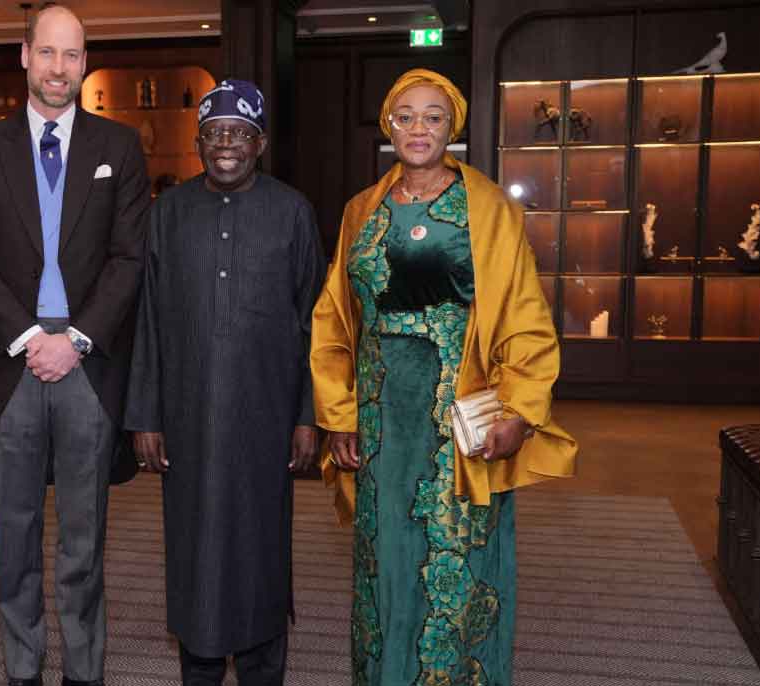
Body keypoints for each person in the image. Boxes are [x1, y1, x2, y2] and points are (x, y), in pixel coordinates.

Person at [310, 69, 578, 686]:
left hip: (461, 419)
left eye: (434, 116)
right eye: (406, 115)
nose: (419, 128)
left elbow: (524, 315)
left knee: (454, 563)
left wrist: (520, 412)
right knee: (387, 562)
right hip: (380, 422)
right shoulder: (362, 210)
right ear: (388, 125)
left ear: (452, 127)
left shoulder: (487, 208)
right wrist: (340, 413)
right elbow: (334, 319)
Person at [0, 6, 149, 686]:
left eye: (74, 55)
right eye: (49, 53)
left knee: (84, 544)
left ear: (85, 63)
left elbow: (129, 258)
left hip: (88, 373)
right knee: (14, 541)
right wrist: (33, 338)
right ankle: (23, 671)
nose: (60, 68)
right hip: (14, 370)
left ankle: (83, 674)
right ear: (25, 55)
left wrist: (77, 340)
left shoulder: (119, 148)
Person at [125, 79, 325, 686]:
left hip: (267, 420)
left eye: (240, 134)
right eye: (215, 134)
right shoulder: (167, 215)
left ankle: (265, 670)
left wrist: (307, 414)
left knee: (262, 550)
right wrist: (146, 415)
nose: (227, 145)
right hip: (186, 420)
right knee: (196, 553)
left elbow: (316, 321)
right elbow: (148, 321)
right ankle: (201, 671)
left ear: (260, 144)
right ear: (199, 143)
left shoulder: (292, 211)